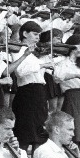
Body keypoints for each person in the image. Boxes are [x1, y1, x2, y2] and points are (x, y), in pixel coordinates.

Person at [11, 21, 53, 149]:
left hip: (39, 92)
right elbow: (21, 71)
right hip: (27, 92)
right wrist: (42, 65)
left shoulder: (34, 53)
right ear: (24, 33)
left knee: (39, 133)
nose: (37, 37)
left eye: (39, 35)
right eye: (35, 34)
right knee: (25, 133)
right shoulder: (18, 50)